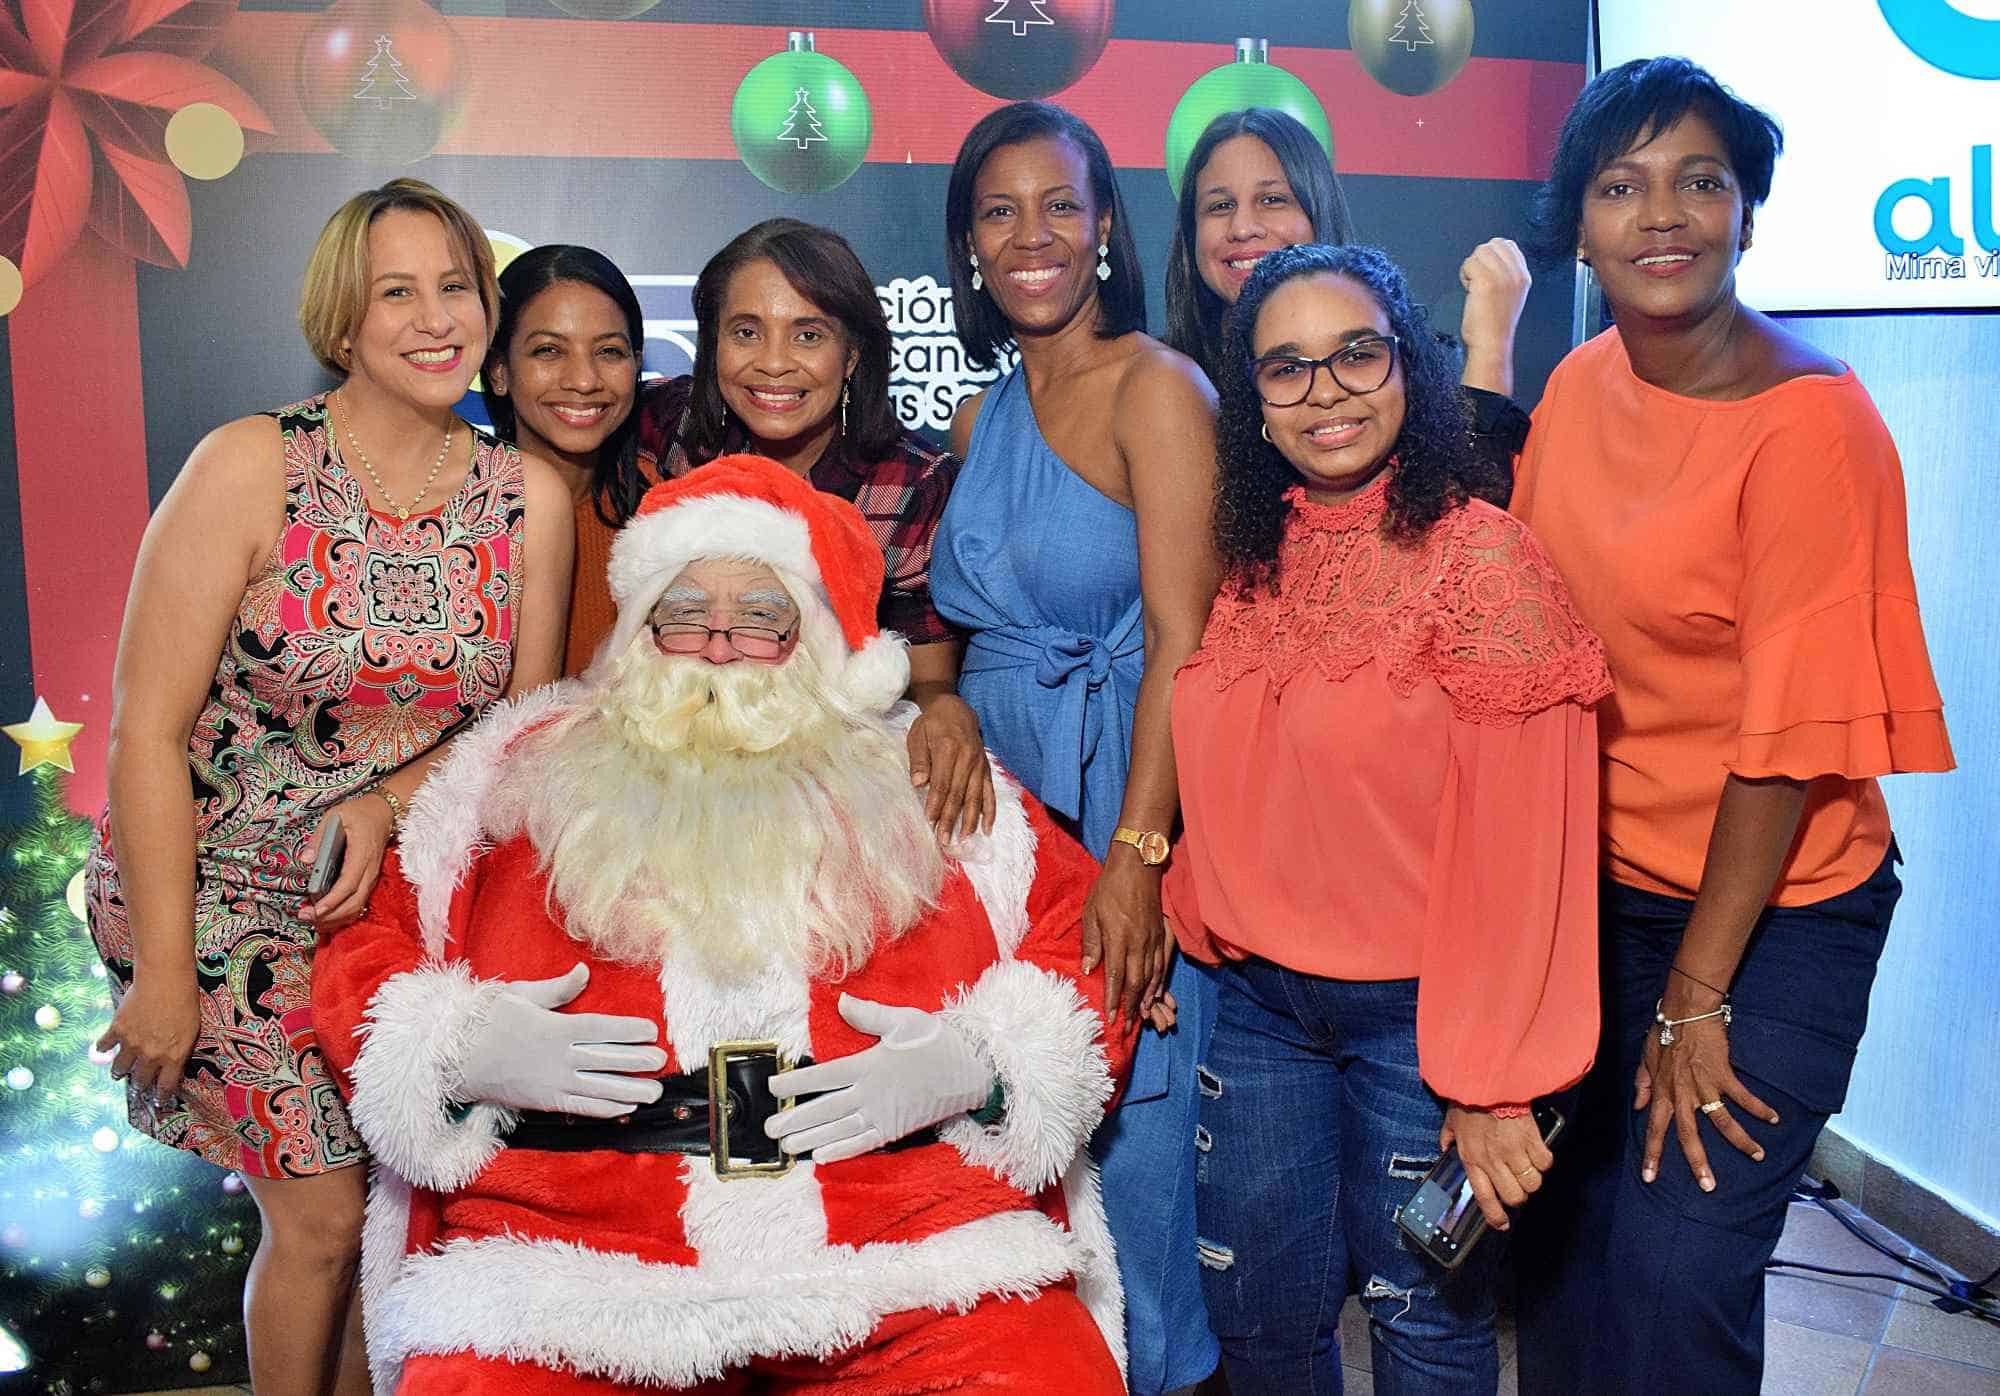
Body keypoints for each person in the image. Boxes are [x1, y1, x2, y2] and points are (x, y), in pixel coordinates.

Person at [310, 454, 1130, 1393]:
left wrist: (983, 1067)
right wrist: (450, 1050)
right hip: (573, 1268)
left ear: (820, 638)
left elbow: (1084, 932)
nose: (716, 642)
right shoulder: (507, 771)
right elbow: (364, 940)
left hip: (908, 1250)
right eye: (684, 611)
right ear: (639, 627)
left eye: (761, 618)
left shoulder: (920, 766)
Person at [1508, 58, 1954, 1394]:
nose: (1663, 214)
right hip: (1603, 893)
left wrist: (1692, 1002)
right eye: (1622, 185)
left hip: (1776, 912)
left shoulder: (1812, 427)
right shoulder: (1583, 386)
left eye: (1701, 180)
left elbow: (1789, 745)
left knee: (1676, 1262)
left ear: (1749, 213)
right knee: (1564, 1252)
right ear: (1578, 223)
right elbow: (1528, 637)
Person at [85, 178, 571, 1395]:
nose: (432, 317)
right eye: (393, 291)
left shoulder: (531, 498)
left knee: (369, 1234)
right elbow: (145, 733)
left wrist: (387, 797)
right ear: (340, 319)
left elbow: (519, 735)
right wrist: (160, 968)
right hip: (206, 893)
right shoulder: (250, 465)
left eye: (453, 286)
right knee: (319, 1216)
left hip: (386, 920)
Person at [1163, 242, 1607, 1393]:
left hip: (1422, 1028)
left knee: (1425, 1328)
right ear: (1252, 403)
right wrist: (1183, 911)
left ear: (1407, 365)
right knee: (1258, 1325)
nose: (1327, 392)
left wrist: (1493, 1075)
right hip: (1259, 1006)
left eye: (1355, 354)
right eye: (1287, 368)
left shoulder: (1484, 563)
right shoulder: (1254, 560)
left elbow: (1527, 854)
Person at [928, 100, 1223, 1394]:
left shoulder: (1158, 390)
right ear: (971, 246)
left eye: (1060, 204)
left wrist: (1138, 862)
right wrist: (937, 703)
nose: (1032, 233)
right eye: (1000, 210)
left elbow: (1182, 642)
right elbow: (946, 636)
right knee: (1012, 1179)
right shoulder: (980, 421)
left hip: (1117, 819)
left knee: (1134, 1183)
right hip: (997, 848)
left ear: (1103, 226)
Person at [632, 218, 992, 838]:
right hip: (668, 769)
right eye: (746, 332)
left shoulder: (911, 481)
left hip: (825, 787)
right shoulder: (675, 432)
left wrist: (948, 711)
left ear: (852, 355)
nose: (773, 364)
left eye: (808, 335)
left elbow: (929, 679)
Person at [1162, 106, 1534, 467]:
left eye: (1273, 200)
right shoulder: (1164, 383)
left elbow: (1465, 516)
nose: (1242, 227)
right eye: (1220, 206)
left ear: (1319, 212)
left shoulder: (1400, 364)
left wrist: (1490, 349)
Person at [481, 243, 648, 677]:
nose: (584, 380)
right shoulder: (449, 521)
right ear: (499, 371)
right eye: (549, 351)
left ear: (636, 365)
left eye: (609, 351)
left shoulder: (669, 515)